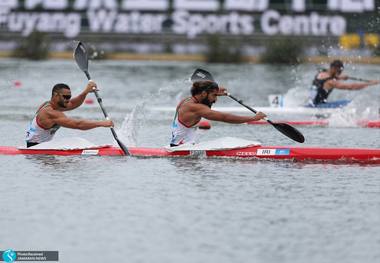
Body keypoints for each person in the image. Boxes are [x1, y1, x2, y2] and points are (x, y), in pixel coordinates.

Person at [170, 80, 266, 147]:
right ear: (203, 93)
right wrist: (253, 118)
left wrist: (214, 91)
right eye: (214, 95)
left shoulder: (186, 100)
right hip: (181, 148)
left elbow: (203, 96)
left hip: (182, 145)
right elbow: (225, 117)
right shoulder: (196, 108)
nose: (215, 99)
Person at [25, 81, 113, 147]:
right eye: (66, 97)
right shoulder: (50, 113)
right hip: (36, 149)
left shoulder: (50, 104)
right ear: (56, 95)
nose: (68, 99)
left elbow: (73, 104)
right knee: (77, 141)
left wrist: (85, 91)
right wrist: (101, 123)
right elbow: (77, 124)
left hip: (40, 146)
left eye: (69, 97)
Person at [308, 60, 380, 108]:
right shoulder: (331, 82)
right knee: (349, 103)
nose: (340, 73)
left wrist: (339, 77)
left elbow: (328, 78)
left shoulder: (321, 73)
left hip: (311, 104)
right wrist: (369, 84)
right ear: (333, 68)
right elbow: (351, 87)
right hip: (319, 106)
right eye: (339, 71)